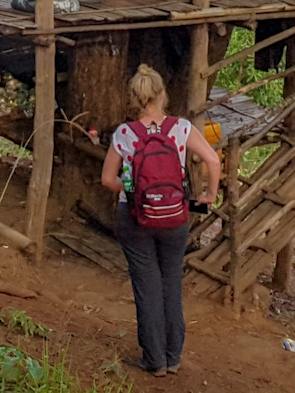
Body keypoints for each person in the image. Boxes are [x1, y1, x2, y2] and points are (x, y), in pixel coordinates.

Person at [100, 64, 222, 377]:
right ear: (163, 95)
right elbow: (212, 159)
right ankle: (172, 355)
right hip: (176, 216)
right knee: (171, 281)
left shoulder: (124, 134)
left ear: (133, 98)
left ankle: (153, 360)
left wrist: (133, 189)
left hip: (135, 217)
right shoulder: (180, 128)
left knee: (147, 285)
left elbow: (107, 179)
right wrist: (208, 195)